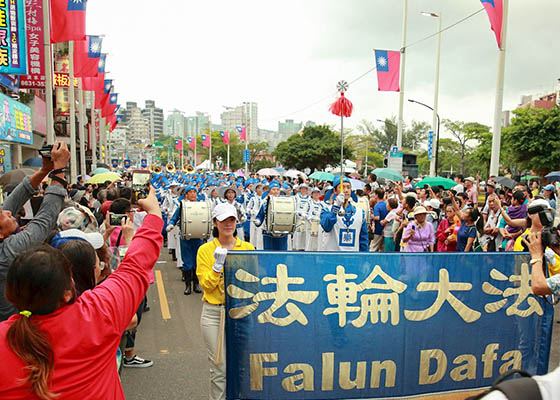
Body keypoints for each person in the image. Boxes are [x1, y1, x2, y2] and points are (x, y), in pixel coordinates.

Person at [0, 186, 162, 399]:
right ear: (68, 292)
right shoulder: (97, 315)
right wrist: (154, 214)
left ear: (11, 294)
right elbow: (135, 266)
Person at [0, 142, 70, 322]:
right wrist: (59, 171)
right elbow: (44, 220)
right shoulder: (7, 253)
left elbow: (13, 202)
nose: (9, 212)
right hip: (12, 332)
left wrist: (44, 171)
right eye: (5, 216)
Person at [197, 202, 255, 400]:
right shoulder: (205, 251)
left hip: (241, 312)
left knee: (242, 363)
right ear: (215, 223)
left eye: (231, 220)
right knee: (219, 366)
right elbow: (206, 286)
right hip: (214, 313)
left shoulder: (247, 248)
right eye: (223, 220)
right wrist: (217, 266)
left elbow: (253, 281)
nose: (228, 224)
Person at [168, 185, 203, 295]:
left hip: (198, 236)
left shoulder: (202, 205)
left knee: (197, 261)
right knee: (187, 261)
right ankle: (188, 285)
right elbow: (175, 217)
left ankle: (196, 284)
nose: (193, 194)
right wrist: (171, 225)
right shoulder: (182, 205)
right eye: (190, 192)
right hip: (185, 236)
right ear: (186, 195)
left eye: (194, 192)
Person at [320, 175, 368, 252]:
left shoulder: (360, 213)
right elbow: (326, 226)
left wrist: (365, 259)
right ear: (335, 191)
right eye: (342, 187)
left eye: (348, 187)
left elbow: (363, 241)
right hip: (333, 259)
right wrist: (336, 206)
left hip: (352, 259)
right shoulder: (326, 210)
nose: (346, 190)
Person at [254, 181, 290, 251]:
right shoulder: (265, 203)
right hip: (268, 233)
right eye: (273, 189)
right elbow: (260, 216)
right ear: (269, 191)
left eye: (277, 189)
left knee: (282, 254)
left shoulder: (285, 203)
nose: (276, 191)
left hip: (282, 233)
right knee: (269, 253)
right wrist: (258, 221)